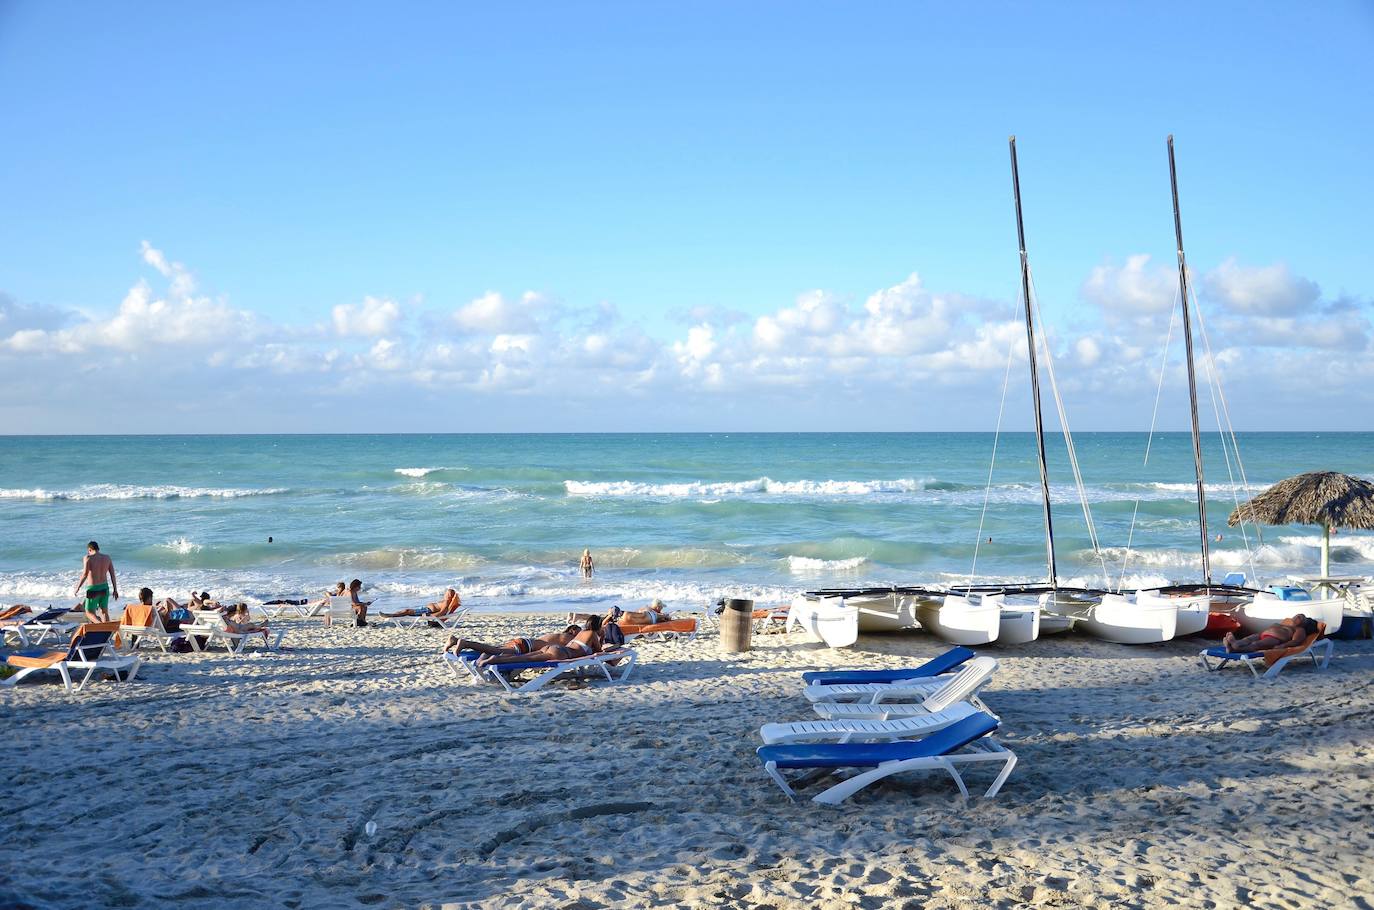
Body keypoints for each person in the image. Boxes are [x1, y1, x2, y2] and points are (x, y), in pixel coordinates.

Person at [477, 615, 604, 667]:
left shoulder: (581, 632)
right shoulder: (592, 634)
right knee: (524, 659)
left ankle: (489, 657)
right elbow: (599, 651)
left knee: (525, 656)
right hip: (561, 654)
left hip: (553, 648)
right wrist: (602, 637)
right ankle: (493, 660)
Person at [446, 624, 581, 656]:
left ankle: (455, 640)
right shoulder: (567, 637)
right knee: (494, 651)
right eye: (579, 632)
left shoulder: (557, 636)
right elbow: (575, 646)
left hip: (524, 642)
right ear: (572, 630)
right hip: (524, 646)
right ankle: (464, 643)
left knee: (494, 650)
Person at [1223, 615, 1319, 653]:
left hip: (1275, 639)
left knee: (1256, 644)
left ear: (1304, 625)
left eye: (1302, 618)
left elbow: (1295, 641)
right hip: (1262, 634)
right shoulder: (1289, 625)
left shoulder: (1300, 630)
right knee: (1248, 639)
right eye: (1298, 615)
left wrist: (1282, 645)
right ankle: (1235, 644)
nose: (1299, 616)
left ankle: (1236, 648)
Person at [74, 540, 117, 622]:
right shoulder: (107, 558)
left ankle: (99, 625)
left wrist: (78, 587)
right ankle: (107, 631)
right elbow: (112, 575)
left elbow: (85, 574)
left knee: (89, 612)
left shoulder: (88, 558)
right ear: (98, 548)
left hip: (93, 589)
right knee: (104, 612)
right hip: (104, 587)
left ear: (89, 549)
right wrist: (115, 589)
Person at [382, 588, 461, 619]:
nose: (445, 594)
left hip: (427, 611)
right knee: (407, 610)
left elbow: (442, 612)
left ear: (449, 595)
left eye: (447, 593)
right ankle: (391, 615)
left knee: (407, 611)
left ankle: (390, 615)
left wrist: (430, 616)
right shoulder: (446, 601)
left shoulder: (446, 602)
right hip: (426, 610)